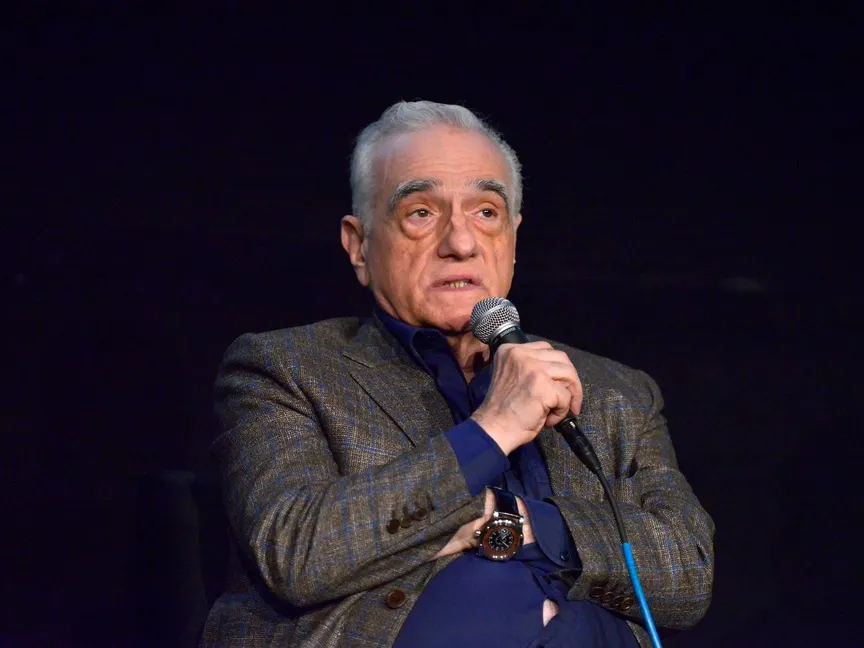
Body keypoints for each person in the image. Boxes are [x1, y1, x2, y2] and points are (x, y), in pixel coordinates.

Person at [200, 100, 715, 647]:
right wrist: (492, 430)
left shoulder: (615, 392)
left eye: (486, 213)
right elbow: (298, 552)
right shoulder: (286, 368)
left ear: (513, 240)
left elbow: (688, 573)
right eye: (421, 212)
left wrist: (517, 523)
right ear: (359, 246)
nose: (461, 243)